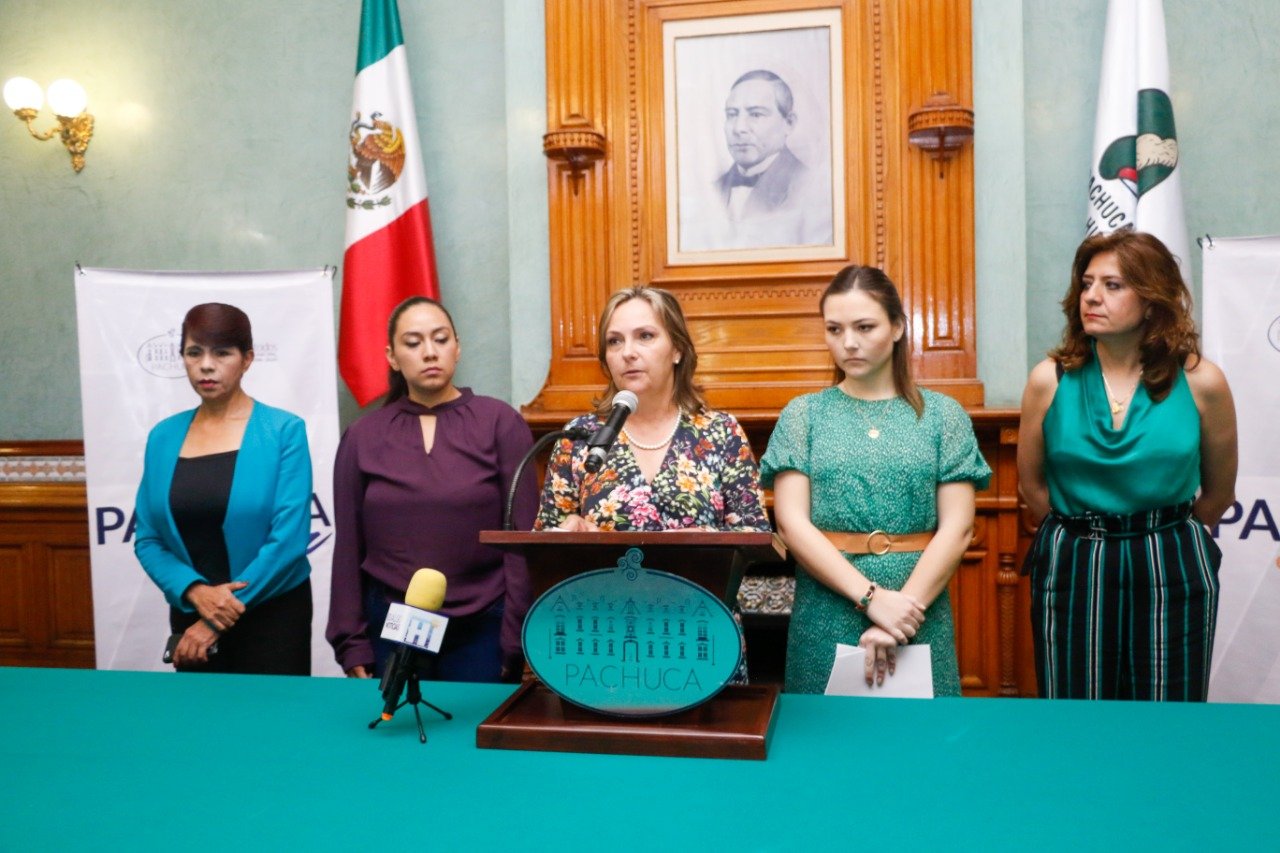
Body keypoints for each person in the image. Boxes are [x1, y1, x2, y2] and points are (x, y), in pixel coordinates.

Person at [1018, 228, 1237, 701]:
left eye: (1112, 285)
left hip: (1169, 560)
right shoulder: (1048, 380)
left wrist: (1157, 534)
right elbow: (1032, 488)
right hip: (1075, 561)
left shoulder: (1202, 381)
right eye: (1087, 284)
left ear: (1153, 301)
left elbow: (1219, 495)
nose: (1091, 296)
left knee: (1169, 714)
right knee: (1076, 711)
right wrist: (1088, 533)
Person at [761, 266, 990, 696]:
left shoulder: (943, 415)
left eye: (864, 327)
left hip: (916, 606)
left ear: (898, 327)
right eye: (834, 329)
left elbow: (958, 528)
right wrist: (872, 599)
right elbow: (791, 524)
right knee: (824, 732)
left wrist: (899, 615)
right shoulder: (803, 414)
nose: (848, 342)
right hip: (828, 602)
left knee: (918, 733)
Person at [326, 296, 536, 683]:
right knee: (397, 722)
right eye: (413, 342)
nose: (429, 352)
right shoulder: (362, 436)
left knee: (475, 723)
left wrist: (517, 635)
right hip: (392, 621)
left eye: (440, 339)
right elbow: (349, 546)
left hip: (484, 625)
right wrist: (350, 639)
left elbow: (523, 541)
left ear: (458, 347)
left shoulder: (500, 423)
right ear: (392, 357)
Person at [134, 303, 313, 675]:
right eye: (194, 352)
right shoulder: (162, 437)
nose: (206, 365)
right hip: (191, 613)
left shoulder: (284, 431)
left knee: (271, 712)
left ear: (247, 359)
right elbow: (148, 539)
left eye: (222, 353)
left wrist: (216, 619)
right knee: (200, 713)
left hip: (272, 615)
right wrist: (195, 592)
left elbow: (288, 542)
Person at [534, 285, 767, 534]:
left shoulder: (722, 432)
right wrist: (571, 532)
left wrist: (707, 539)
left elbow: (756, 535)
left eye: (645, 336)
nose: (627, 353)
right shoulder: (579, 436)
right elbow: (544, 540)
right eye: (614, 341)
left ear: (677, 349)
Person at [682, 69, 832, 251]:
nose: (739, 128)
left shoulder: (813, 190)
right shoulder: (710, 192)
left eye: (755, 114)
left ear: (789, 123)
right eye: (732, 114)